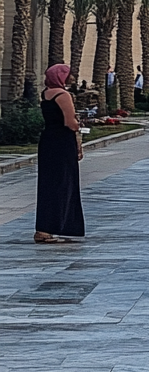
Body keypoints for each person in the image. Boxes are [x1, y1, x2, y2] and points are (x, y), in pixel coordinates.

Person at [34, 64, 85, 244]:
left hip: (48, 141)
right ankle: (56, 226)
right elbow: (70, 123)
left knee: (49, 184)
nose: (71, 77)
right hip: (62, 142)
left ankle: (44, 228)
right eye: (68, 74)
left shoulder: (46, 94)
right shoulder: (63, 95)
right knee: (63, 183)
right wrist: (79, 125)